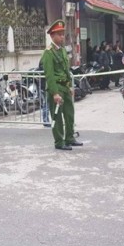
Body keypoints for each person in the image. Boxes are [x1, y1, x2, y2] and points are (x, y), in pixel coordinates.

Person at [41, 19, 83, 150]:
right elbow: (49, 75)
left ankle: (69, 138)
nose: (62, 36)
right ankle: (59, 142)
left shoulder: (63, 50)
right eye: (59, 34)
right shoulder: (48, 53)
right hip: (57, 88)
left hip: (65, 86)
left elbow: (66, 70)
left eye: (63, 34)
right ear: (52, 36)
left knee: (69, 114)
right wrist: (55, 93)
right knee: (57, 117)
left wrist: (70, 86)